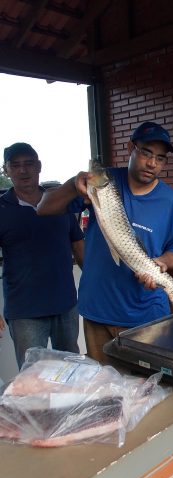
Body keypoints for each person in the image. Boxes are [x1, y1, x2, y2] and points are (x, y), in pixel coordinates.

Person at [37, 121, 173, 364]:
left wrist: (161, 263)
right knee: (105, 391)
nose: (152, 163)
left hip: (147, 316)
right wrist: (73, 185)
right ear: (131, 148)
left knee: (148, 391)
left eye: (160, 158)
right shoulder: (102, 182)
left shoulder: (171, 202)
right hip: (98, 310)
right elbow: (44, 209)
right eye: (146, 153)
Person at [0, 142, 84, 368]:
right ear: (7, 170)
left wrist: (95, 285)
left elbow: (78, 245)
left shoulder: (60, 204)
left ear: (39, 167)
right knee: (32, 379)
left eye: (28, 164)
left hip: (65, 305)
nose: (22, 170)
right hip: (25, 311)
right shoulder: (2, 209)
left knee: (72, 371)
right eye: (15, 165)